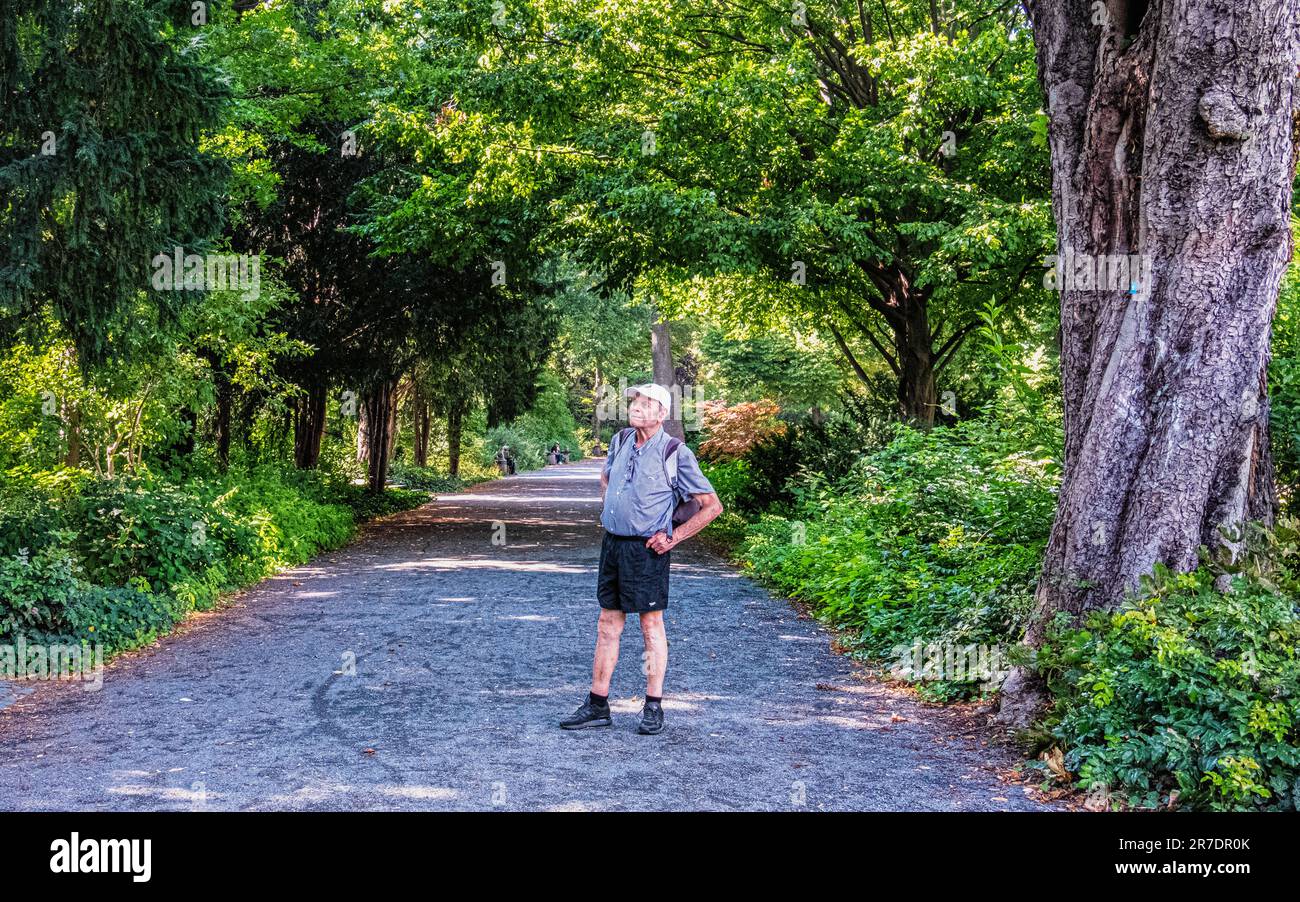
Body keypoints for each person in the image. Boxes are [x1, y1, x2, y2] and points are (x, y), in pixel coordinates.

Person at [559, 383, 723, 735]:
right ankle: (598, 704)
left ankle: (653, 706)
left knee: (650, 625)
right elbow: (606, 478)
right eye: (635, 401)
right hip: (613, 545)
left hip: (647, 550)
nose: (636, 407)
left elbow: (711, 506)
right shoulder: (619, 441)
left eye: (646, 403)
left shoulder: (674, 452)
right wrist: (614, 508)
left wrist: (673, 537)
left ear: (661, 413)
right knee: (608, 624)